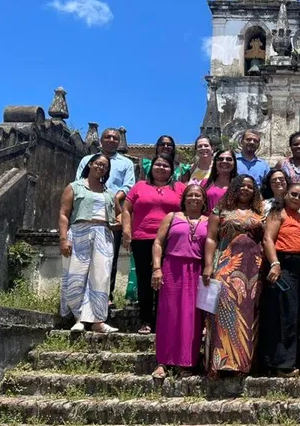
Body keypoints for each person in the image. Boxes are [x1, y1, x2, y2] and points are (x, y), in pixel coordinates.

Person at [203, 174, 265, 376]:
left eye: (250, 186)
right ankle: (221, 363)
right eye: (241, 186)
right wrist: (208, 265)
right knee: (223, 311)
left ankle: (243, 365)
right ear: (234, 188)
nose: (245, 189)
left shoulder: (260, 211)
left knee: (249, 315)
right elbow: (211, 238)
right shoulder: (221, 210)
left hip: (254, 270)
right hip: (226, 265)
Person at [122, 154, 186, 334]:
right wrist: (127, 231)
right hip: (142, 238)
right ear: (151, 167)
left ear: (172, 170)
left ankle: (163, 320)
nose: (161, 168)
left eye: (166, 166)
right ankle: (145, 320)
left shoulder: (180, 188)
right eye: (158, 164)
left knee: (167, 281)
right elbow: (126, 209)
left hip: (171, 240)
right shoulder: (140, 186)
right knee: (145, 280)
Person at [150, 183, 208, 379]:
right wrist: (157, 268)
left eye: (198, 196)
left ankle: (186, 362)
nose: (194, 198)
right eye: (190, 195)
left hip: (196, 270)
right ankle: (163, 362)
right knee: (169, 314)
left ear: (204, 200)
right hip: (172, 268)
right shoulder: (172, 217)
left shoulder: (210, 221)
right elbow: (158, 242)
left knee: (192, 317)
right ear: (184, 199)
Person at [59, 153, 119, 333]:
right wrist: (63, 239)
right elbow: (64, 213)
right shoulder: (74, 187)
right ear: (90, 164)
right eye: (98, 164)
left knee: (101, 276)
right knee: (77, 275)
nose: (101, 168)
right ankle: (79, 318)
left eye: (105, 166)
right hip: (79, 232)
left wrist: (119, 222)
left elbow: (121, 213)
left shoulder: (108, 192)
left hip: (103, 234)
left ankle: (98, 320)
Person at [75, 127, 135, 304]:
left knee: (110, 256)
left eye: (115, 138)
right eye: (107, 137)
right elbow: (78, 181)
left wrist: (113, 198)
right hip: (87, 211)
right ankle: (81, 295)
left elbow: (129, 185)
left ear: (119, 141)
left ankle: (106, 296)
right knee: (84, 256)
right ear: (101, 140)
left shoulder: (126, 163)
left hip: (113, 212)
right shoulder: (87, 160)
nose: (111, 140)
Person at [260, 182, 300, 376]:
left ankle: (297, 359)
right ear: (286, 194)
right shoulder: (277, 213)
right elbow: (268, 239)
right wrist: (274, 263)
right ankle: (281, 363)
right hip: (283, 265)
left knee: (298, 314)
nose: (297, 198)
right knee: (284, 314)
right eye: (294, 194)